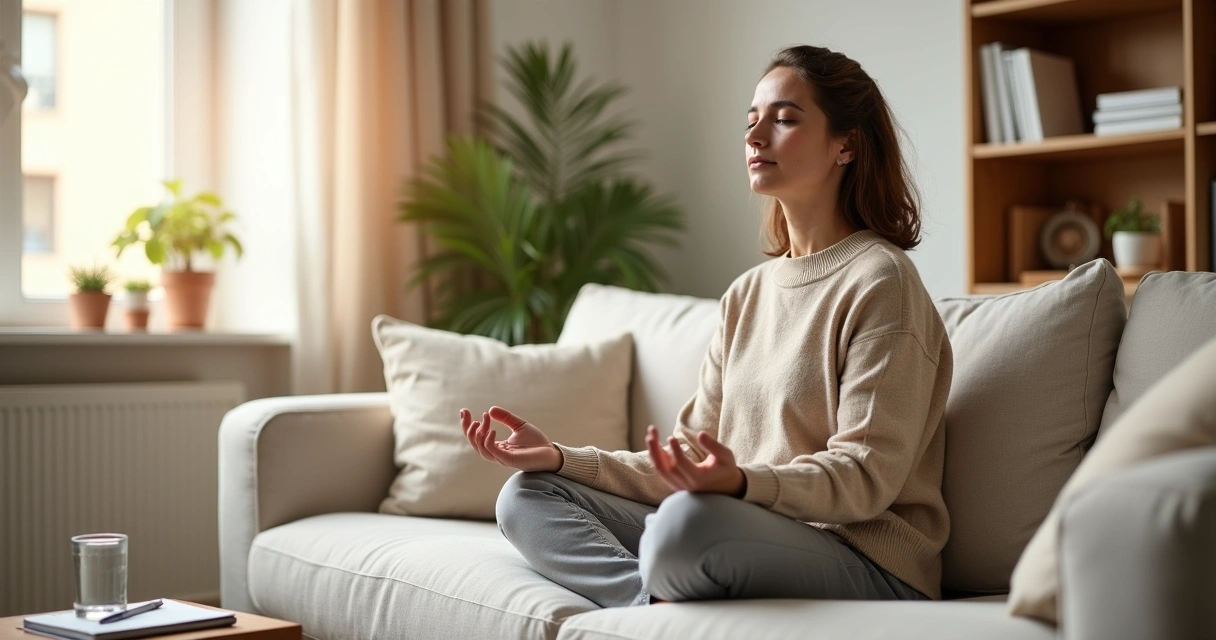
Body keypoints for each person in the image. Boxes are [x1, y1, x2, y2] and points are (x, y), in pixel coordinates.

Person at [459, 44, 952, 608]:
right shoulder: (746, 295)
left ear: (847, 144)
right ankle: (649, 609)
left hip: (867, 561)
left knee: (689, 525)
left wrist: (741, 484)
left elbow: (866, 478)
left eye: (785, 119)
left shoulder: (881, 282)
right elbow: (685, 459)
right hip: (737, 528)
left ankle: (659, 596)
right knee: (526, 496)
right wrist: (560, 457)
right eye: (751, 121)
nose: (755, 136)